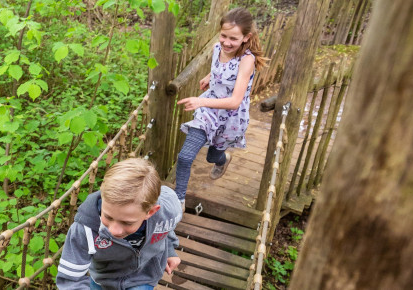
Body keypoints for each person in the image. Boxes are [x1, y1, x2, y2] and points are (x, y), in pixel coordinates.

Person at [174, 8, 268, 208]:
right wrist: (210, 77)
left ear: (246, 37)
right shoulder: (218, 48)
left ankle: (222, 159)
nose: (226, 42)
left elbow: (234, 101)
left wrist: (199, 101)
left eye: (233, 38)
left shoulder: (247, 60)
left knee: (212, 156)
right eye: (223, 35)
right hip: (209, 111)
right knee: (185, 157)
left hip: (230, 117)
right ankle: (179, 199)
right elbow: (221, 69)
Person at [56, 158, 183, 289]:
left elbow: (165, 225)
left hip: (143, 277)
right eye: (108, 217)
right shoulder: (85, 228)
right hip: (103, 279)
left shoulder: (168, 211)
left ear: (150, 212)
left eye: (127, 223)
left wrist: (170, 250)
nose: (114, 230)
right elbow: (70, 279)